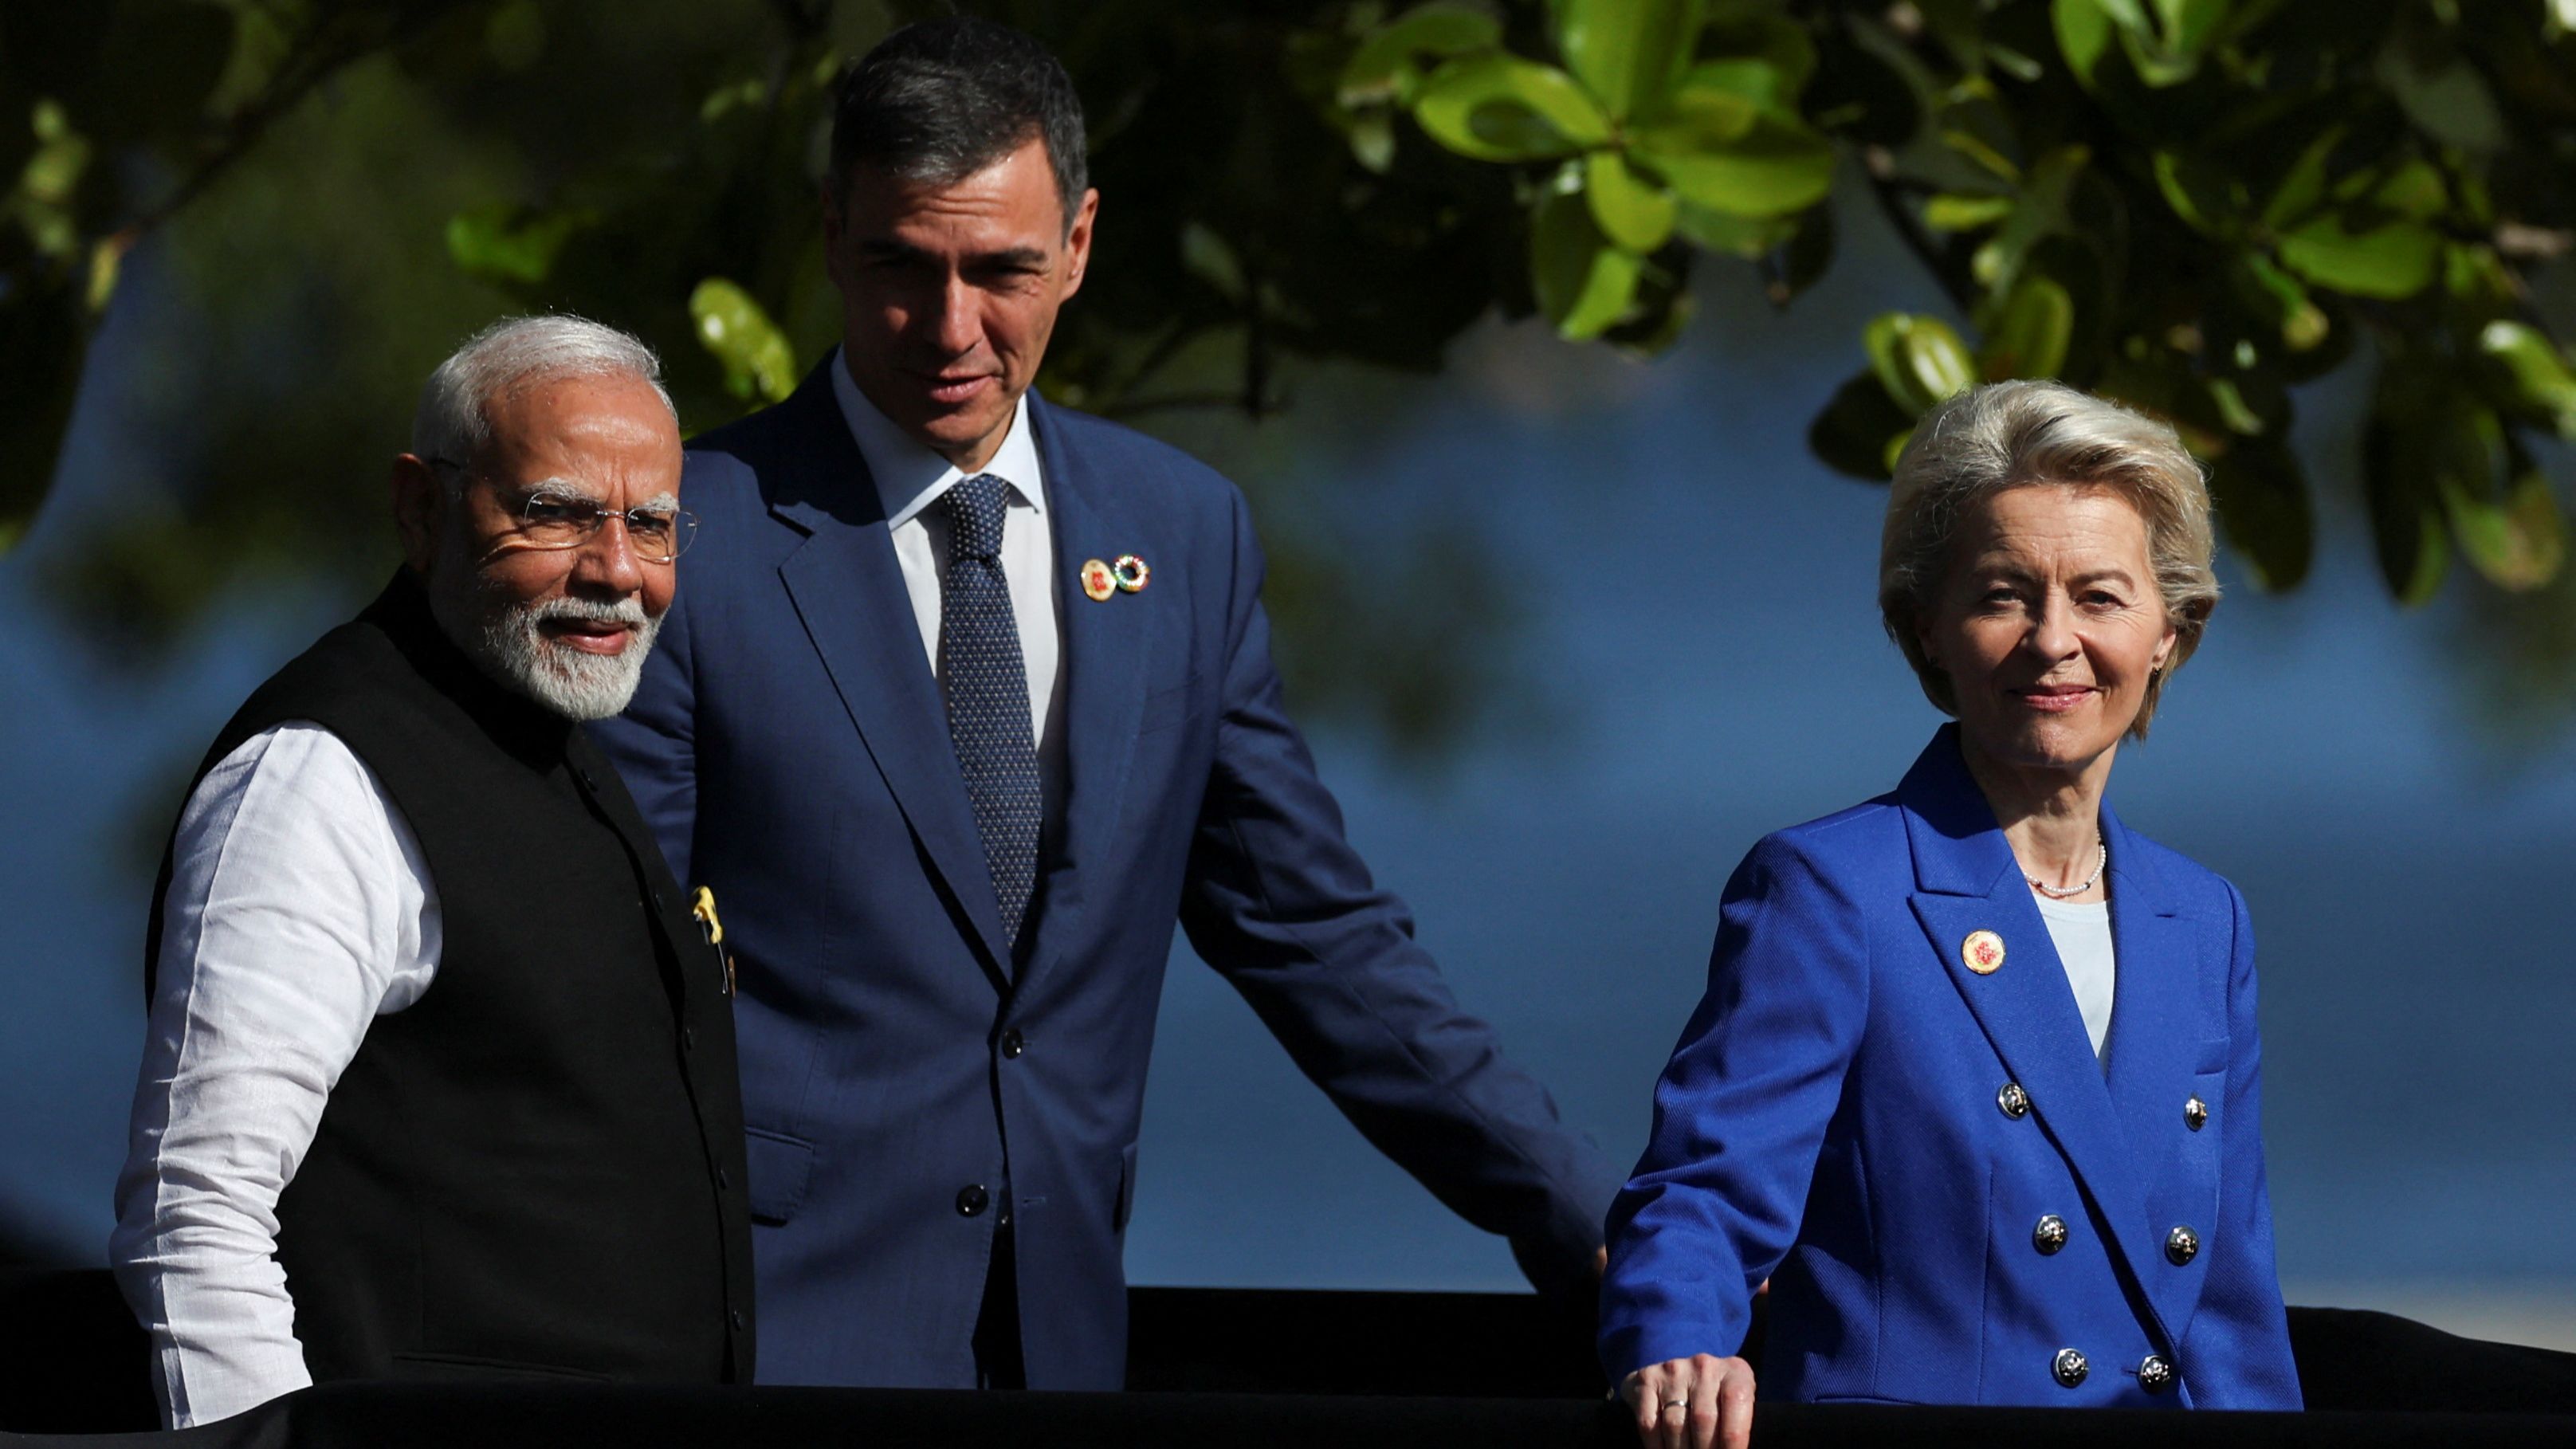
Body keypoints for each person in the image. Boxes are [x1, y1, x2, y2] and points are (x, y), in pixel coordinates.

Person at [589, 15, 1621, 1391]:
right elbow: (598, 982)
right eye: (903, 265)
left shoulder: (1181, 532)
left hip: (1063, 1349)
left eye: (1002, 271)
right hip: (763, 1350)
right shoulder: (685, 541)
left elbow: (1315, 937)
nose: (952, 328)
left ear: (1078, 243)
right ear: (832, 232)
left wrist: (1594, 1219)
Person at [1598, 380, 2303, 1448]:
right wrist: (1676, 1347)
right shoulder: (1830, 888)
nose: (2053, 640)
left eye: (2101, 598)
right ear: (1927, 628)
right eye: (2004, 596)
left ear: (2169, 630)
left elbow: (2228, 1298)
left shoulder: (2204, 921)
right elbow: (1704, 1192)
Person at [110, 316, 755, 1427]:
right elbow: (194, 1214)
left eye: (650, 524)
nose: (615, 570)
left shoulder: (544, 730)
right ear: (421, 508)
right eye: (555, 512)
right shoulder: (318, 783)